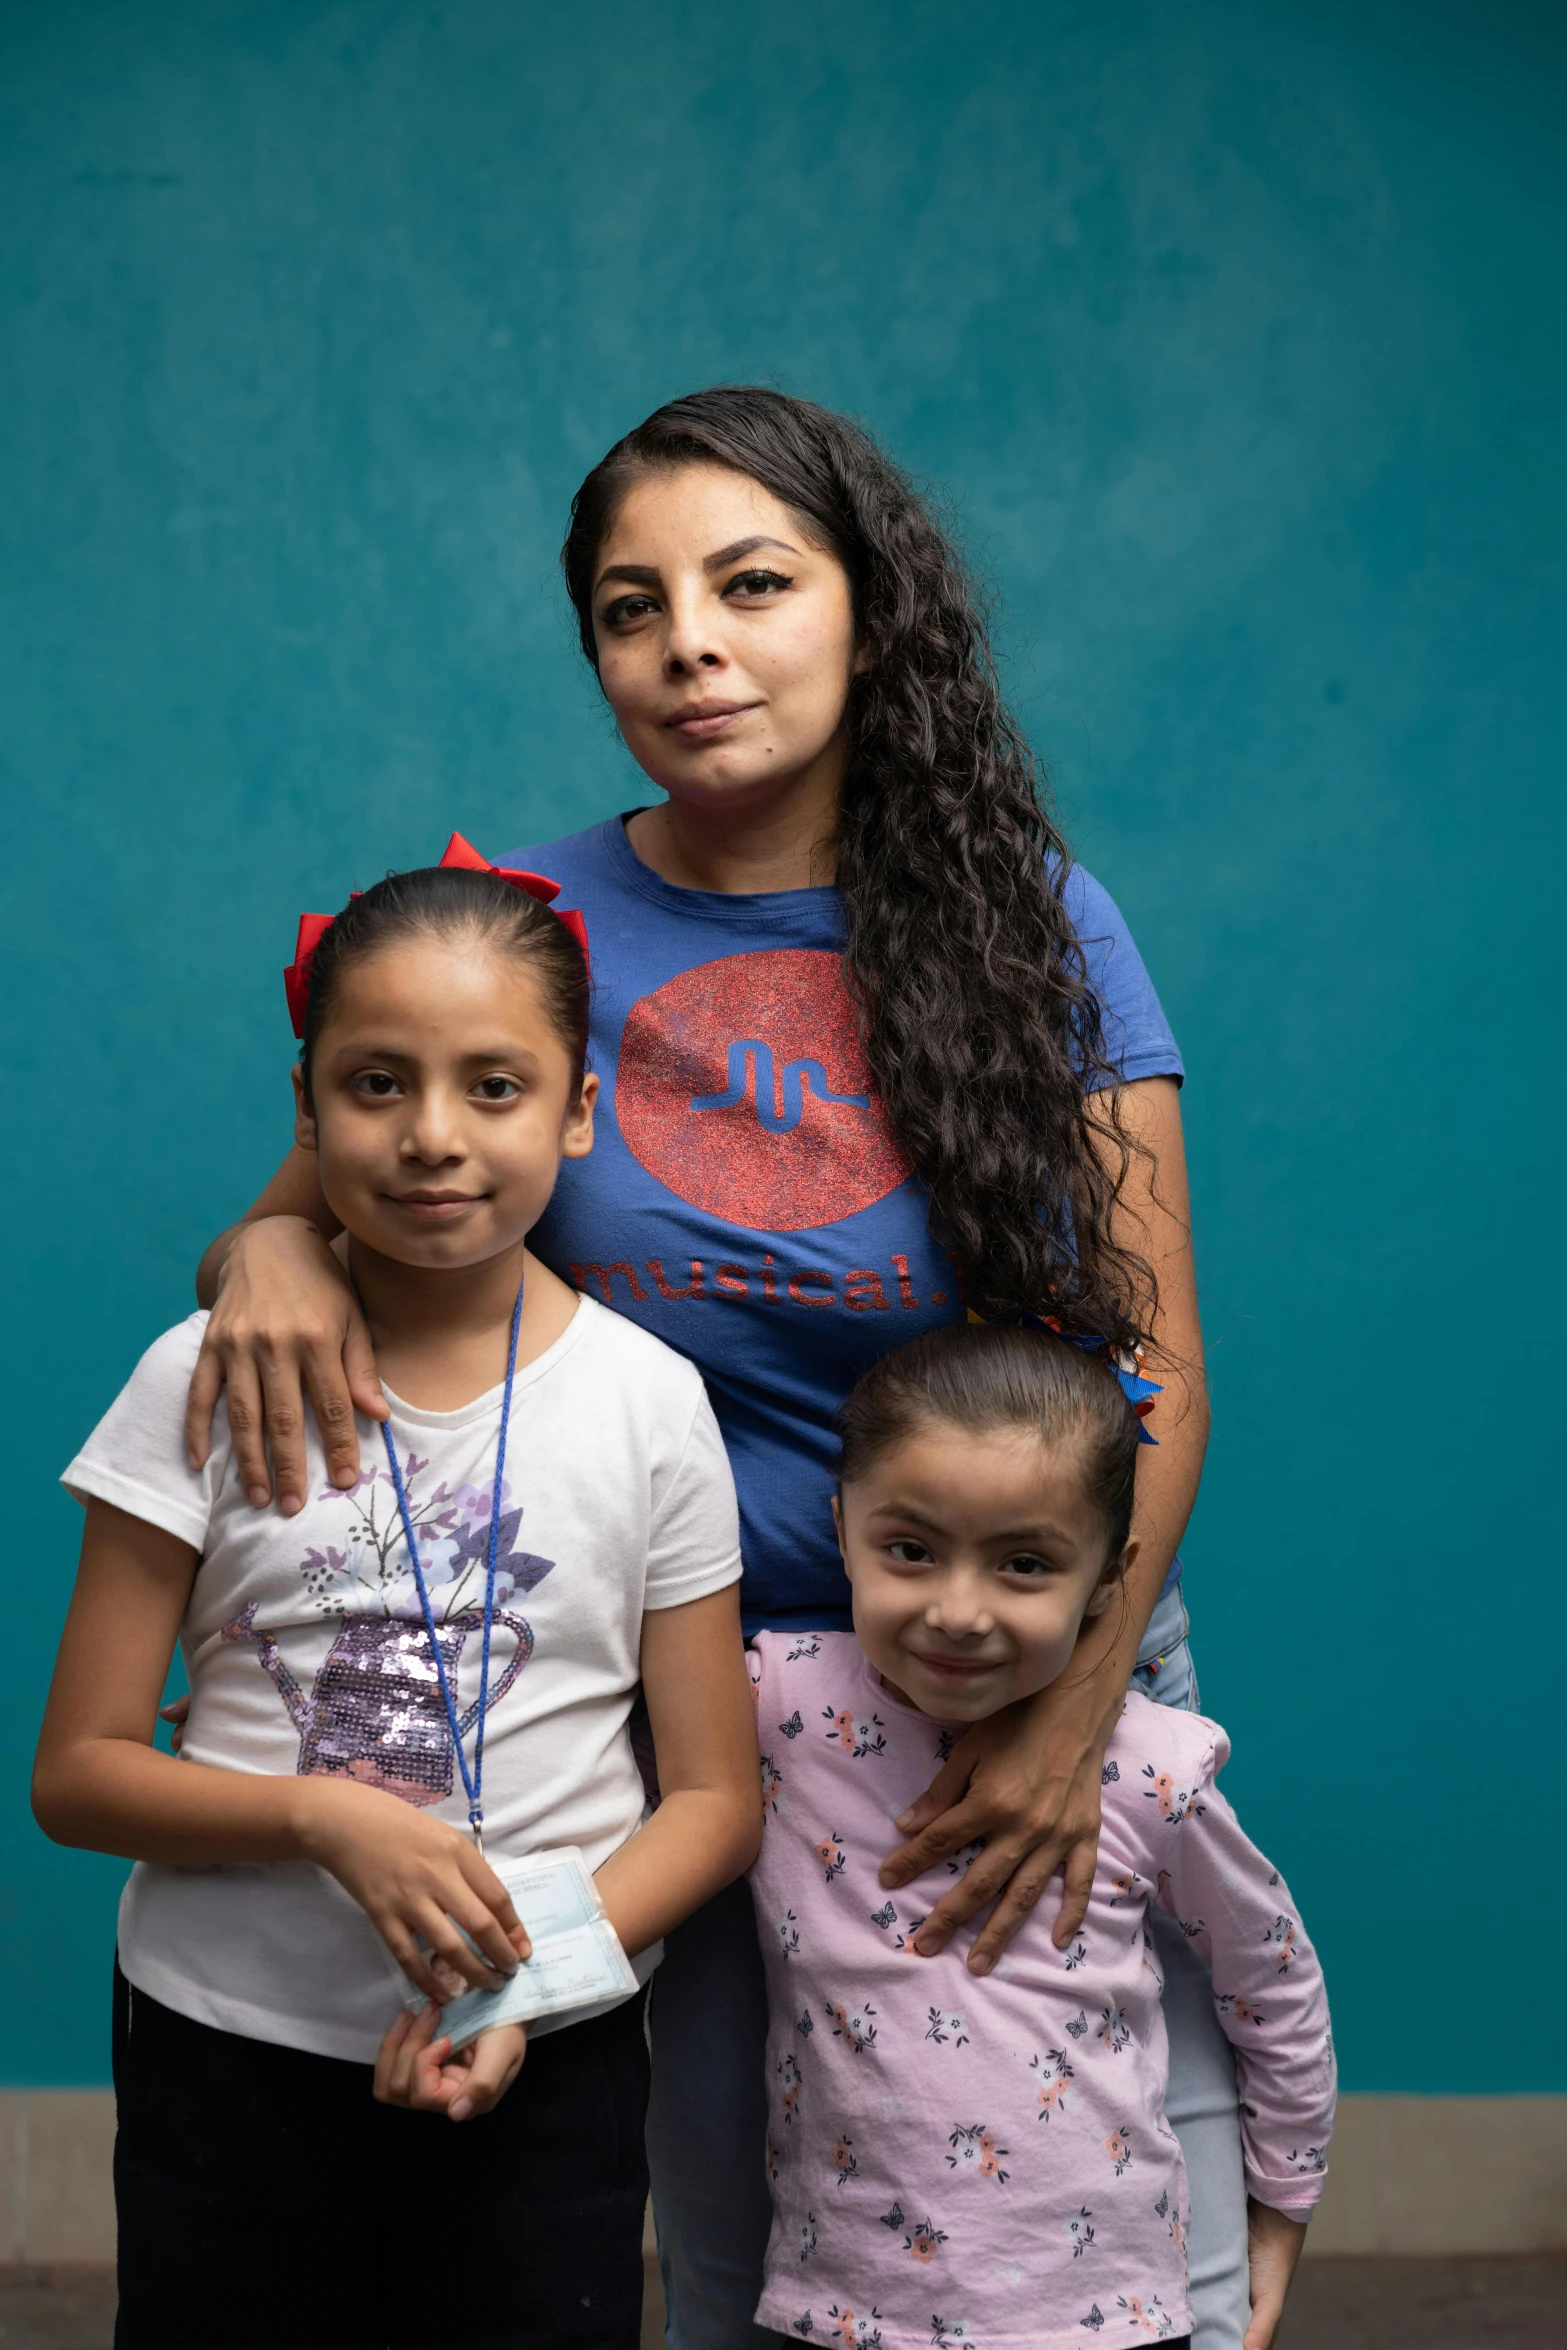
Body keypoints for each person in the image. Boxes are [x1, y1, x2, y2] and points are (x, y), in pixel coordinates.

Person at [184, 388, 1246, 2345]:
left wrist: (1069, 1713)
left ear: (866, 610)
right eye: (629, 604)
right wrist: (262, 1251)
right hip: (695, 1724)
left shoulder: (1036, 921)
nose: (689, 640)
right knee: (765, 2269)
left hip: (1017, 1656)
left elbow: (1155, 1356)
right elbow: (305, 1202)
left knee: (1133, 2246)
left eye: (752, 583)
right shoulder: (534, 917)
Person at [33, 861, 761, 2350]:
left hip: (543, 2052)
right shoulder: (200, 1376)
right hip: (223, 2044)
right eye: (377, 1083)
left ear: (575, 1109)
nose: (433, 1135)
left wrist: (532, 1980)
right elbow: (77, 1772)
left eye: (493, 1086)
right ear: (305, 1112)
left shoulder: (649, 1406)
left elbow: (708, 1797)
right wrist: (321, 1816)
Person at [747, 1320, 1332, 2350]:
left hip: (1100, 2317)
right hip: (842, 2309)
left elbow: (1273, 1981)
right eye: (910, 1550)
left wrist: (1280, 2205)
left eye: (1022, 1563)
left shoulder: (1151, 1770)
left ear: (1113, 1576)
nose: (958, 1611)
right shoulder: (774, 1703)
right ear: (842, 1529)